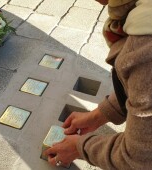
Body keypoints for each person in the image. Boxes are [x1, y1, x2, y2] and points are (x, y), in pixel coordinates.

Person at [44, 0, 152, 169]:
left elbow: (138, 159)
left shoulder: (146, 44)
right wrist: (101, 114)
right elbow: (142, 87)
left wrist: (79, 148)